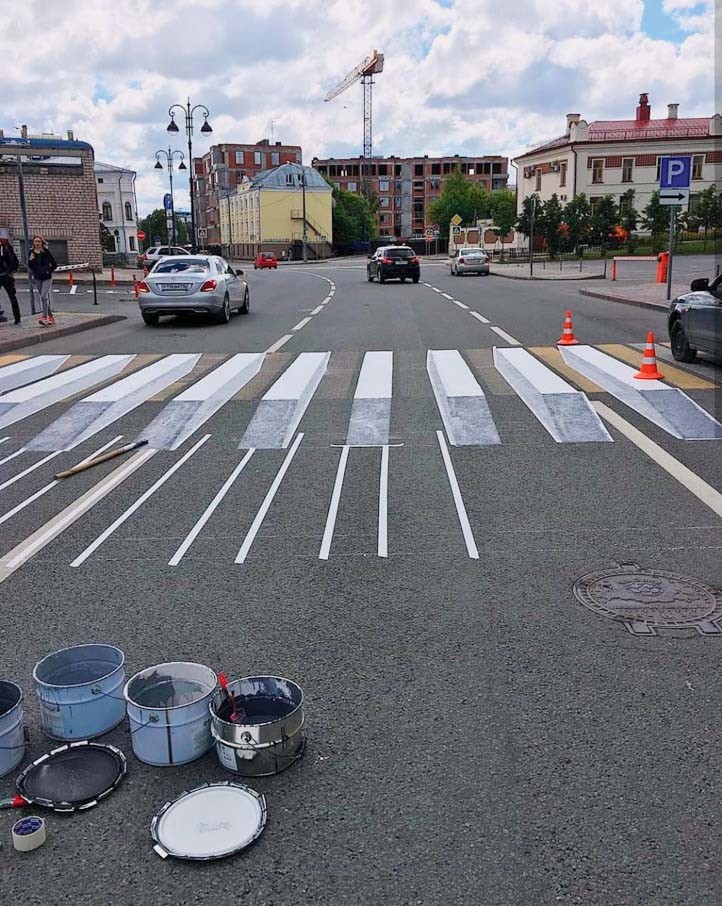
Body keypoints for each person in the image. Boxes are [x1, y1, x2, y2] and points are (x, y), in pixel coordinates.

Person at [27, 235, 57, 327]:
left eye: (39, 241)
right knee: (43, 298)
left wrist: (49, 271)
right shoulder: (31, 252)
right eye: (35, 241)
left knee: (44, 296)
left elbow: (54, 264)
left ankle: (44, 317)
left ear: (42, 243)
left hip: (47, 278)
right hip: (37, 278)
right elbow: (30, 266)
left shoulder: (46, 252)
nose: (37, 243)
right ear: (33, 243)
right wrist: (31, 260)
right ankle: (51, 316)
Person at [0, 233, 21, 324]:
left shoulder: (5, 245)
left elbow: (14, 260)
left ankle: (17, 317)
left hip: (6, 275)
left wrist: (11, 271)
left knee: (12, 296)